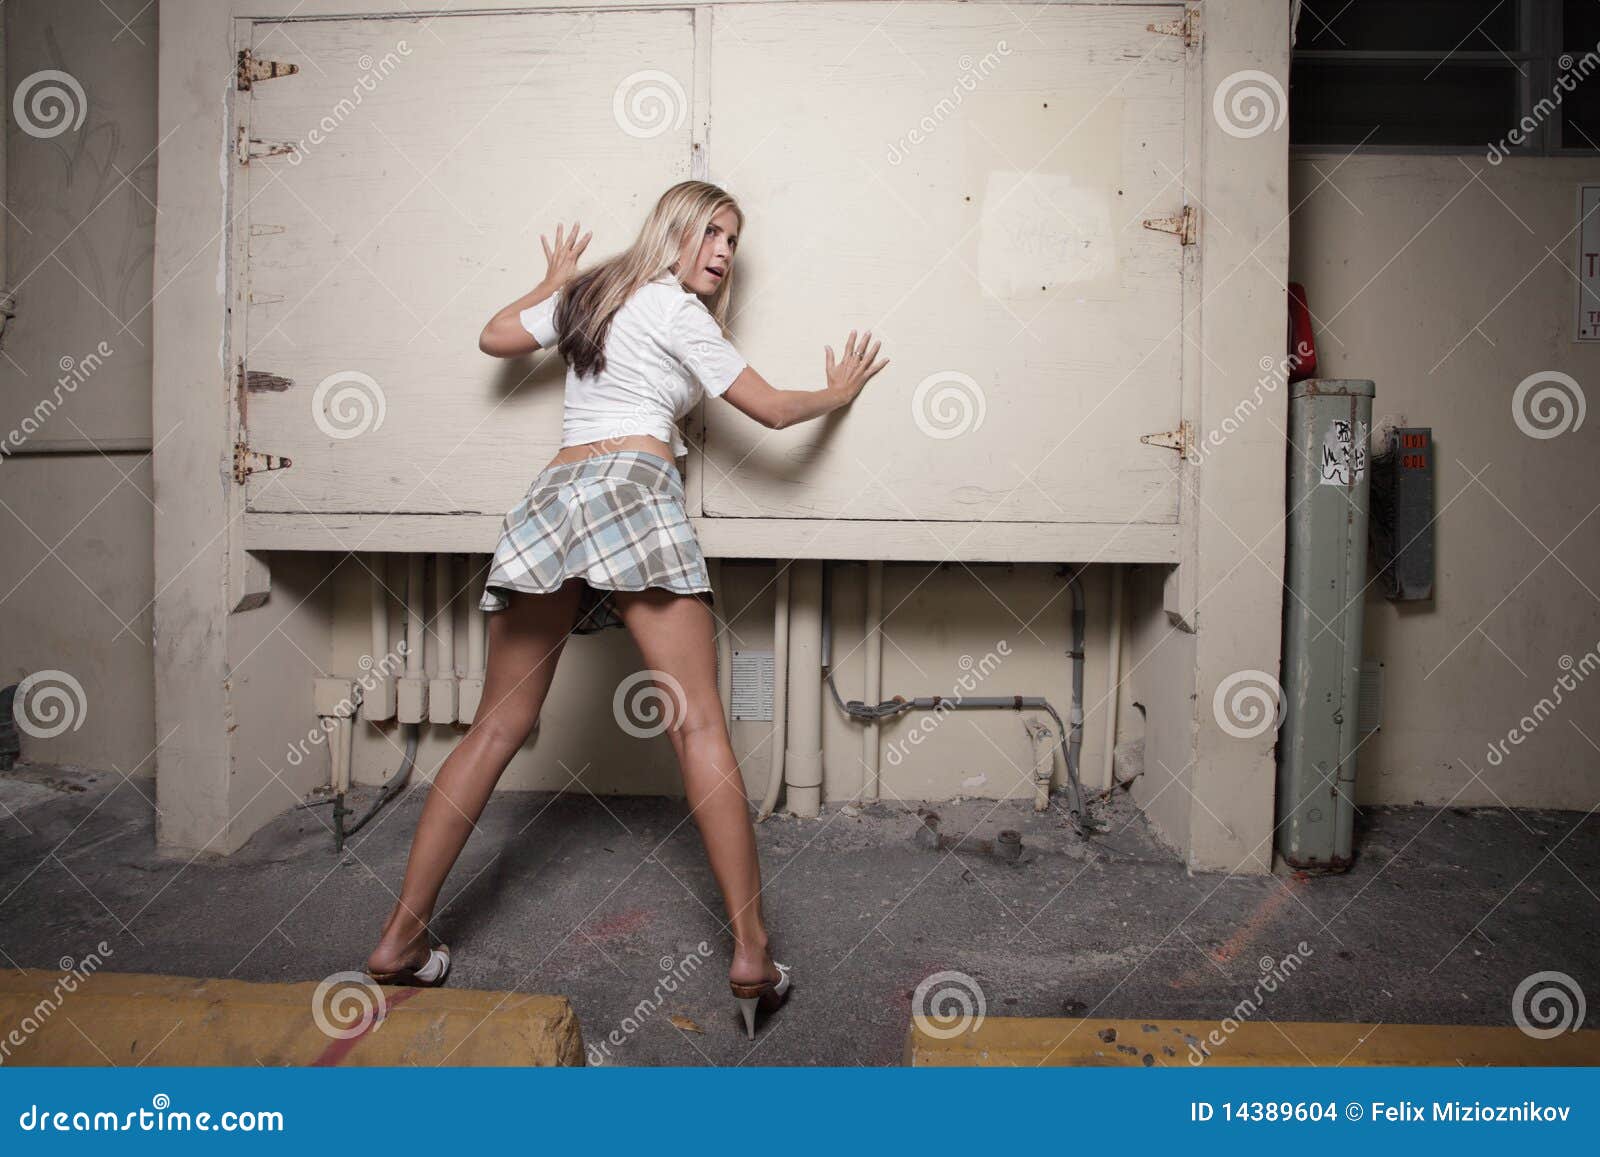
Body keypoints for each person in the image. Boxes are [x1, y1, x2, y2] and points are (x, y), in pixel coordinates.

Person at [363, 179, 889, 1039]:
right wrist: (837, 393)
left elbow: (497, 335)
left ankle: (398, 941)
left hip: (553, 494)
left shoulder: (593, 292)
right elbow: (772, 411)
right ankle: (752, 954)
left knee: (495, 726)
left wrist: (556, 279)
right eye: (712, 232)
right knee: (699, 728)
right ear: (676, 231)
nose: (723, 252)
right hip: (633, 489)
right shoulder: (680, 312)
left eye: (733, 240)